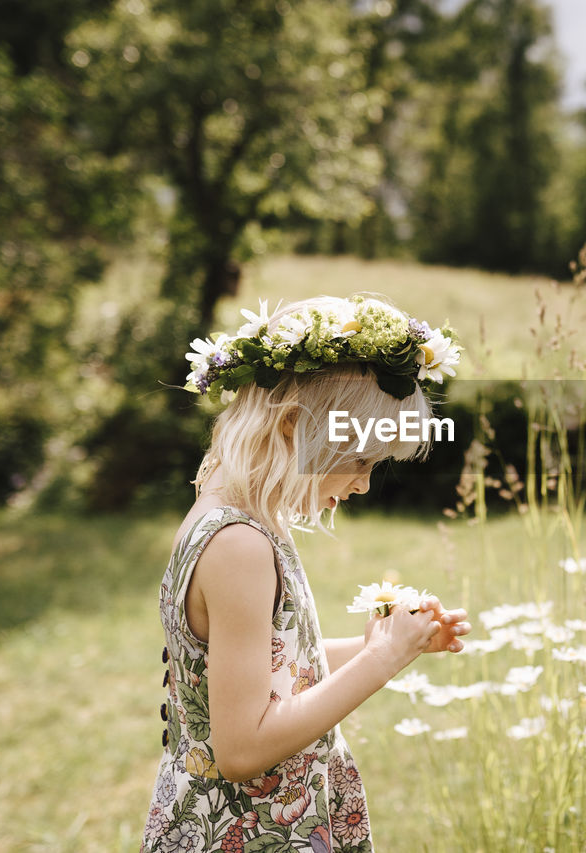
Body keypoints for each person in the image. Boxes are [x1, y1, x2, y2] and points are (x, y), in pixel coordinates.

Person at [140, 294, 471, 853]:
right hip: (247, 831)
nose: (364, 483)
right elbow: (243, 749)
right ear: (295, 428)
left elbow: (267, 668)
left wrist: (384, 642)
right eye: (362, 459)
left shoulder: (237, 516)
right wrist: (380, 661)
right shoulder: (239, 545)